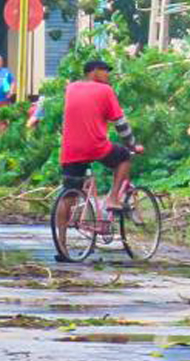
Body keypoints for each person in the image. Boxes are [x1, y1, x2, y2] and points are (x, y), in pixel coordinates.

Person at [58, 60, 144, 257]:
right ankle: (113, 199)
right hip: (95, 146)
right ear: (94, 71)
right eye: (105, 71)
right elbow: (120, 123)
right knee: (123, 157)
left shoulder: (71, 88)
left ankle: (61, 245)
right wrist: (133, 145)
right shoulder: (105, 90)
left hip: (70, 149)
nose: (107, 75)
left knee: (68, 195)